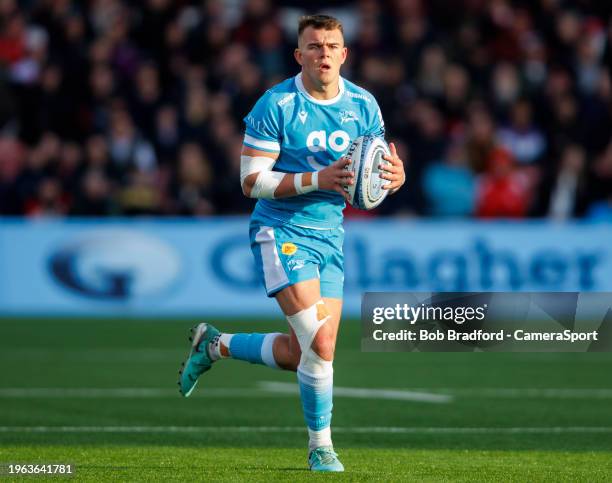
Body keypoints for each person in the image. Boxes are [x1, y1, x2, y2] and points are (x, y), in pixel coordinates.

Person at [178, 14, 405, 472]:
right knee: (319, 343)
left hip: (330, 234)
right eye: (315, 46)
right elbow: (250, 180)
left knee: (305, 351)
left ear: (345, 54)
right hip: (279, 230)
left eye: (332, 46)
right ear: (299, 55)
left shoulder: (364, 105)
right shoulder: (275, 104)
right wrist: (317, 178)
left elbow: (373, 170)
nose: (324, 54)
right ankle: (321, 446)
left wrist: (396, 179)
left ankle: (215, 346)